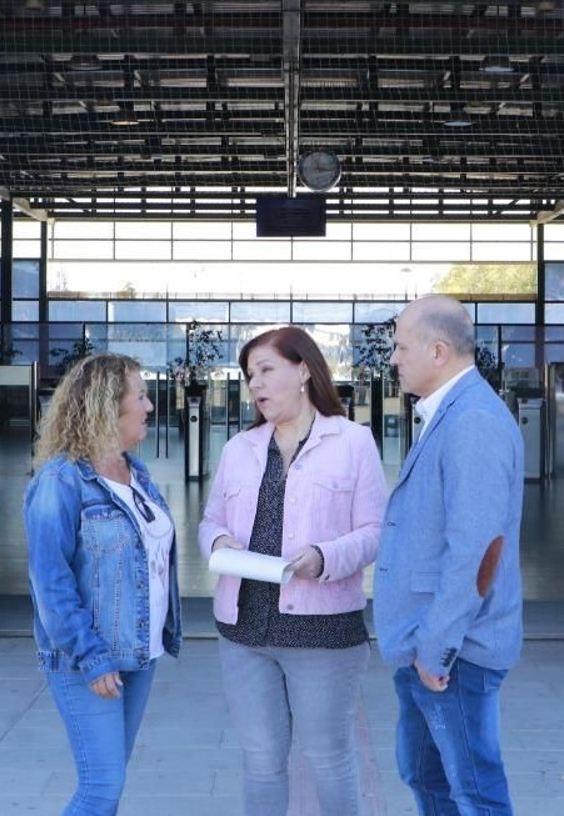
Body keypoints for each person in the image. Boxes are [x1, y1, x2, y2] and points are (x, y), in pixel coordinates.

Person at [199, 326, 387, 816]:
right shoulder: (238, 448)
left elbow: (375, 531)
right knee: (261, 760)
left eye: (266, 371)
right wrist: (218, 541)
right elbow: (211, 520)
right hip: (244, 630)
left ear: (303, 370)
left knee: (328, 758)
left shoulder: (353, 442)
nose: (255, 385)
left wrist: (324, 557)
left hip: (322, 630)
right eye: (249, 376)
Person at [374, 295, 523, 816]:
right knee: (426, 775)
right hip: (426, 642)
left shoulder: (472, 422)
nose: (393, 358)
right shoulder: (450, 413)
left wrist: (435, 649)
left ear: (438, 351)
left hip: (453, 651)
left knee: (473, 790)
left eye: (401, 347)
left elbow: (475, 551)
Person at [25, 352, 181, 816]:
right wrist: (90, 657)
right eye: (141, 396)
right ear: (106, 406)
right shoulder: (59, 481)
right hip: (88, 658)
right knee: (100, 787)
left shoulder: (138, 475)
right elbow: (50, 582)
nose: (149, 406)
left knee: (110, 785)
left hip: (139, 652)